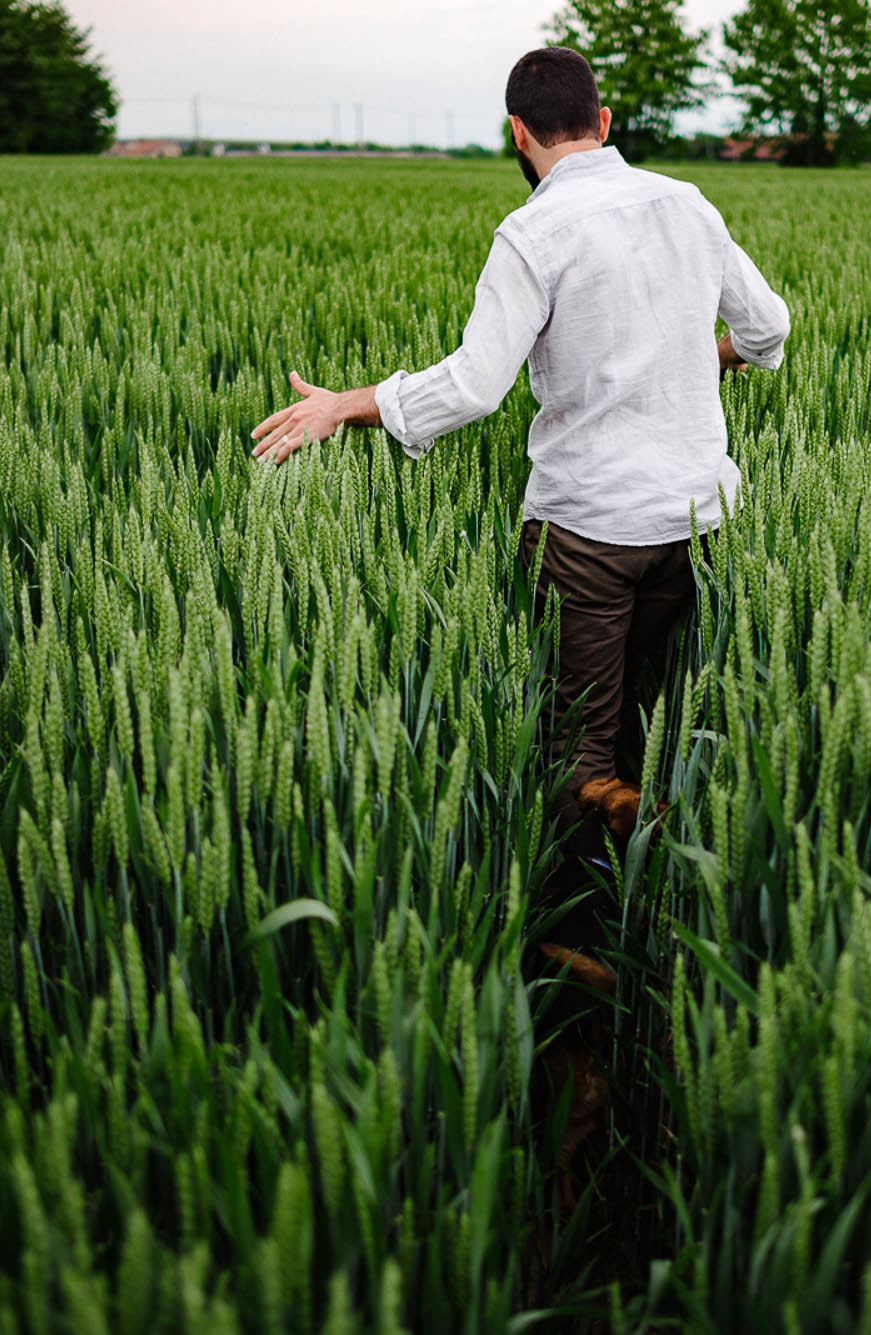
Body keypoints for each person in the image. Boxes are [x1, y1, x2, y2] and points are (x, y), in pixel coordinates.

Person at [251, 45, 790, 865]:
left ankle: (573, 932)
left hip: (590, 538)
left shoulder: (532, 230)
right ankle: (653, 887)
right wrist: (704, 355)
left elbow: (474, 387)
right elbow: (769, 331)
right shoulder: (688, 204)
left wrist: (344, 405)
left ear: (517, 135)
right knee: (650, 711)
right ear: (604, 123)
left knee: (576, 741)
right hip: (694, 527)